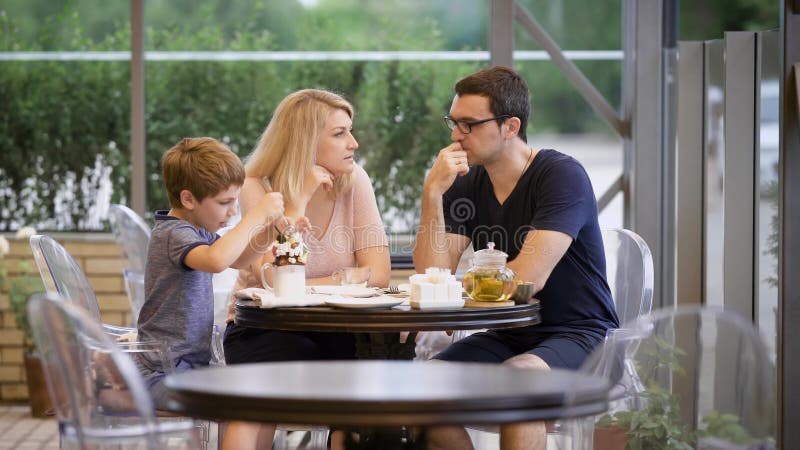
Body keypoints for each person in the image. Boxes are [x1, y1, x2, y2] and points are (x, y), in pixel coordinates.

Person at [413, 66, 619, 450]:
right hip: (510, 334)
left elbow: (526, 279)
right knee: (424, 389)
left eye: (469, 124)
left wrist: (455, 291)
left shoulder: (560, 175)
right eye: (453, 123)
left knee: (518, 383)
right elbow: (430, 275)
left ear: (510, 126)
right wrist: (432, 194)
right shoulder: (465, 181)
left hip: (581, 334)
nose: (456, 136)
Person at [222, 89, 391, 449]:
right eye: (339, 133)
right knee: (254, 401)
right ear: (305, 141)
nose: (354, 143)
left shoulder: (354, 181)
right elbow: (273, 276)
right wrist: (302, 199)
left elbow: (378, 273)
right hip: (265, 328)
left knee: (374, 405)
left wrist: (309, 286)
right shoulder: (258, 188)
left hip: (342, 331)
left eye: (350, 131)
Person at [135, 137, 290, 448]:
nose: (232, 211)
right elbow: (217, 261)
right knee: (243, 404)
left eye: (234, 202)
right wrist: (255, 215)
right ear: (189, 199)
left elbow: (239, 259)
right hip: (161, 373)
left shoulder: (197, 232)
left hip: (188, 367)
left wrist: (272, 230)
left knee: (261, 396)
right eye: (224, 202)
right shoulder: (173, 234)